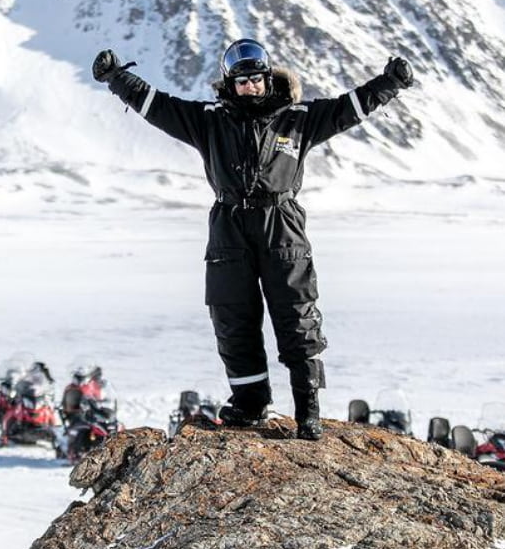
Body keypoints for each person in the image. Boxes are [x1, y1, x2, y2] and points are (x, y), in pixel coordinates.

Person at [92, 38, 414, 440]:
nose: (250, 88)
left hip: (282, 225)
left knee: (297, 315)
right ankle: (250, 403)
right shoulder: (209, 119)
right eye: (242, 82)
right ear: (231, 83)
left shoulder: (298, 118)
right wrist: (116, 77)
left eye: (256, 80)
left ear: (268, 79)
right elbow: (157, 105)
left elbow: (349, 108)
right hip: (228, 226)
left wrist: (390, 83)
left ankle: (307, 410)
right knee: (232, 316)